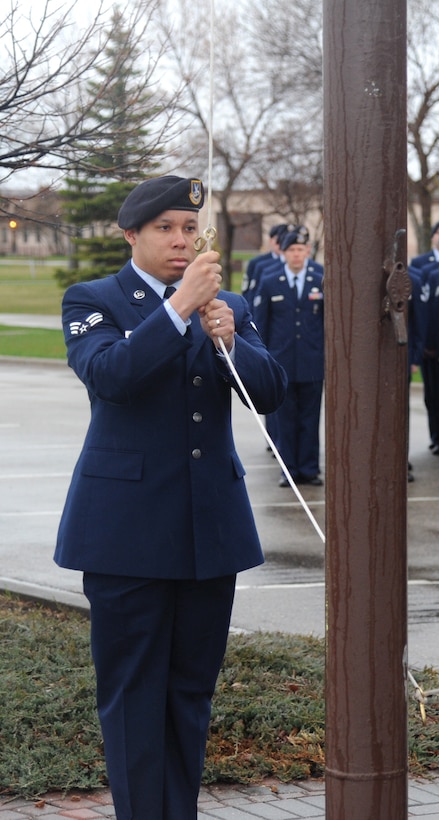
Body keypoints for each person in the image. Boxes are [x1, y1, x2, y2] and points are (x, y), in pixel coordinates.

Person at [54, 175, 287, 819]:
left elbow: (269, 393)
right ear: (132, 235)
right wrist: (177, 309)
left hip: (207, 531)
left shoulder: (226, 300)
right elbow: (111, 376)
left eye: (189, 228)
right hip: (126, 534)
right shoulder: (94, 298)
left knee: (191, 693)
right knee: (133, 697)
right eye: (165, 229)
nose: (181, 240)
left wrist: (230, 336)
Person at [252, 226, 326, 486]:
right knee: (285, 420)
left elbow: (328, 323)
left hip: (312, 361)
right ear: (283, 252)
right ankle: (289, 470)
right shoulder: (270, 280)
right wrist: (264, 357)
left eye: (300, 250)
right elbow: (261, 323)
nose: (296, 255)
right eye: (291, 250)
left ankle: (309, 468)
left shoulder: (320, 279)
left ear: (308, 251)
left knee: (310, 418)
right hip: (281, 361)